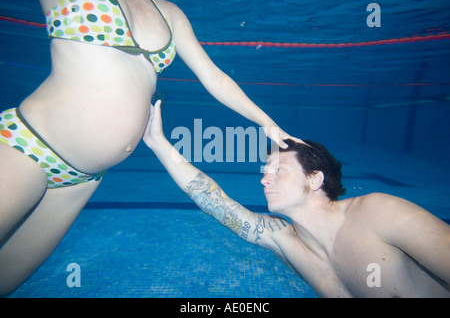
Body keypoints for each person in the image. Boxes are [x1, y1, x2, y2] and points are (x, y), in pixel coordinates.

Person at [0, 0, 296, 296]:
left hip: (81, 181)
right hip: (29, 148)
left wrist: (267, 124)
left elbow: (214, 77)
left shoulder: (170, 13)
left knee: (7, 277)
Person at [143, 100, 450, 298]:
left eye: (279, 170)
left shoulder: (379, 211)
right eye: (265, 171)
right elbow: (212, 199)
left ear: (314, 178)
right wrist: (159, 144)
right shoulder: (286, 241)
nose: (264, 179)